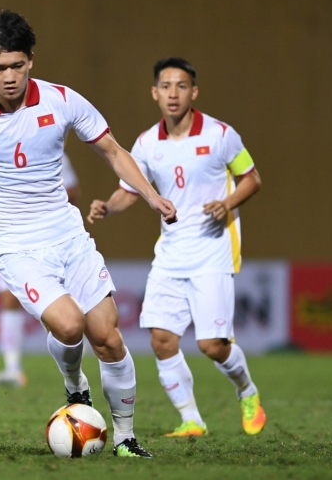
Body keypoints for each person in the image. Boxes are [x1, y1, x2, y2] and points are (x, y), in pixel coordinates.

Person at [0, 9, 177, 458]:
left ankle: (127, 437)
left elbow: (112, 150)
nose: (9, 77)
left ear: (31, 60)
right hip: (17, 245)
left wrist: (150, 196)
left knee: (108, 337)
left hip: (68, 236)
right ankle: (76, 386)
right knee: (70, 326)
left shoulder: (62, 100)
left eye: (17, 65)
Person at [87, 58, 266, 437]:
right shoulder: (147, 143)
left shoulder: (220, 134)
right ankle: (192, 420)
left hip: (212, 252)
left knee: (213, 345)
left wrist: (228, 204)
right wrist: (108, 207)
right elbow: (129, 190)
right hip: (169, 255)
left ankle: (247, 391)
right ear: (154, 93)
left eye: (181, 86)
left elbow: (252, 178)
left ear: (193, 92)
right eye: (166, 86)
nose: (173, 93)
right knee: (162, 340)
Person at [0, 154, 80, 388]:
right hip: (9, 237)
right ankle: (13, 368)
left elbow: (72, 191)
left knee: (56, 308)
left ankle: (73, 369)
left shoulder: (51, 149)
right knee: (9, 300)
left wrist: (38, 201)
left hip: (46, 238)